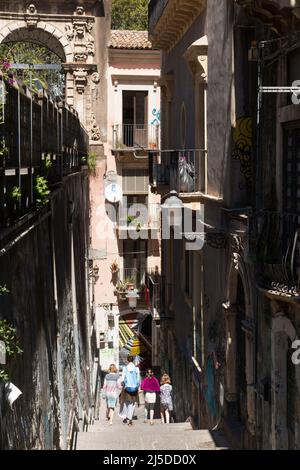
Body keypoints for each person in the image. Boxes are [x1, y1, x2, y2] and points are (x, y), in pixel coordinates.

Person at [119, 355, 140, 426]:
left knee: (127, 403)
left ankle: (127, 417)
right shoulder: (136, 368)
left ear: (127, 360)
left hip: (127, 388)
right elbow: (138, 379)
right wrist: (137, 386)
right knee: (133, 403)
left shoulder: (125, 368)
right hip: (134, 388)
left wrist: (122, 383)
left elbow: (122, 378)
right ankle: (130, 418)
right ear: (133, 360)